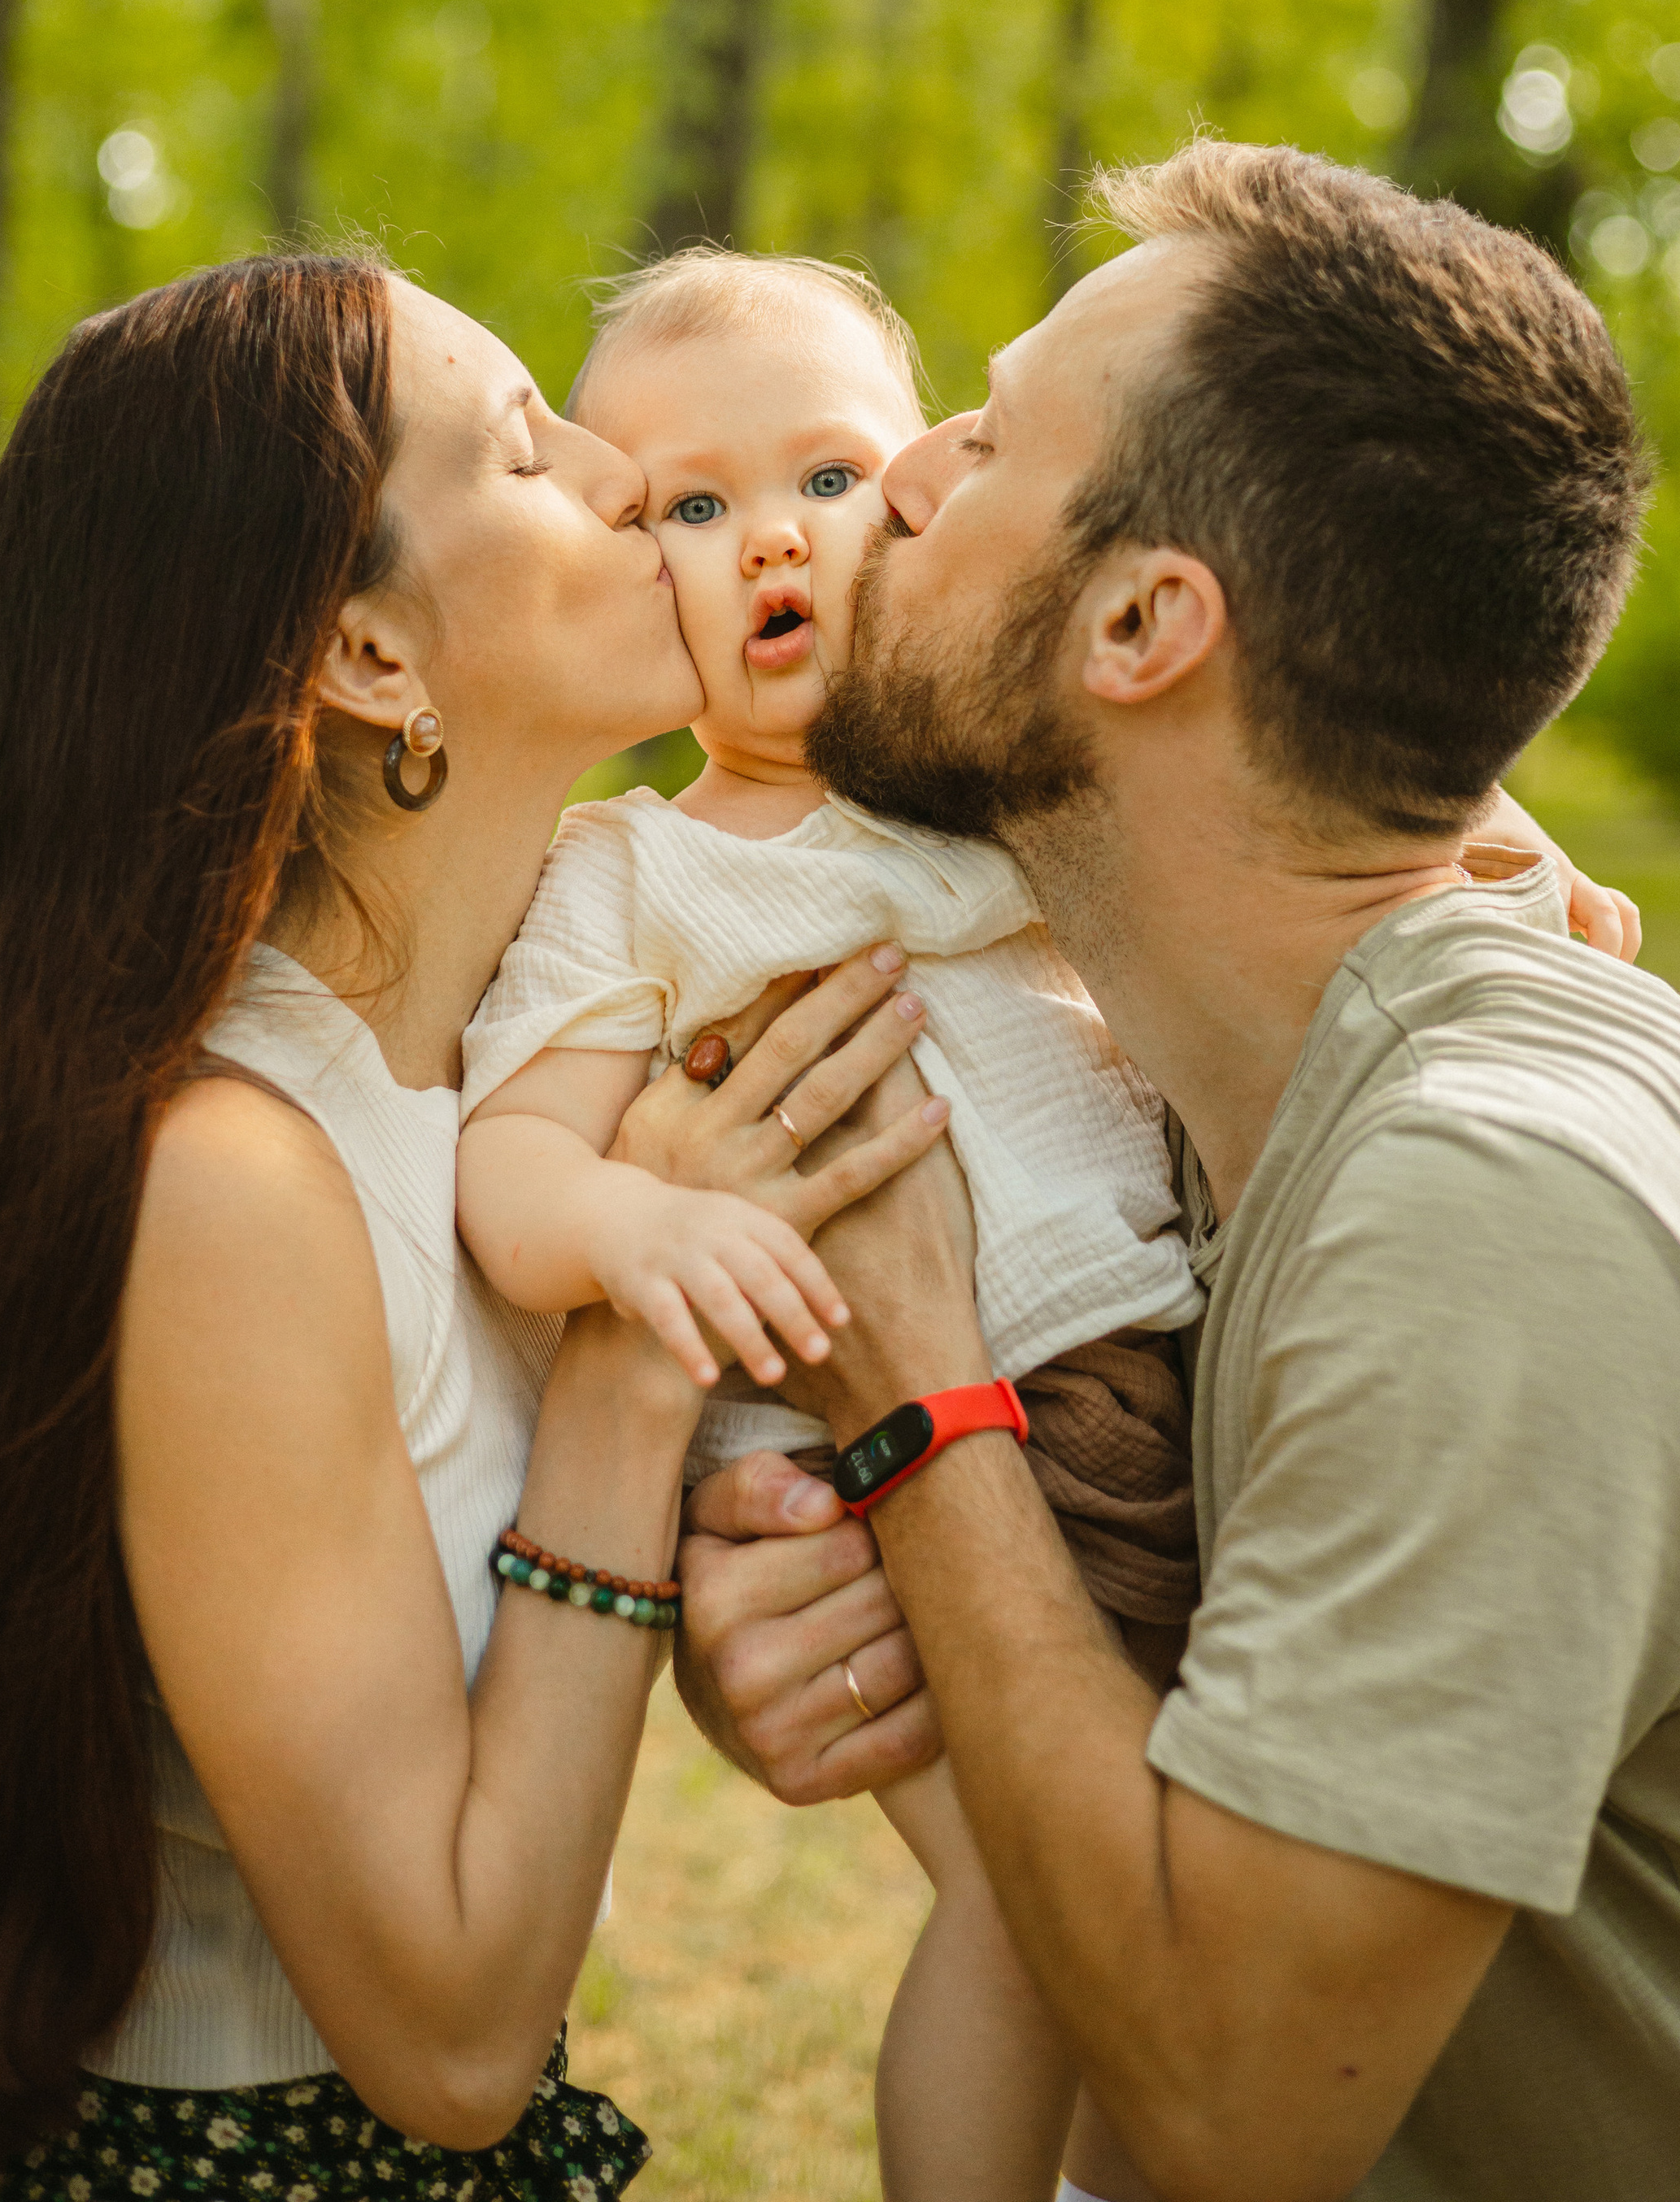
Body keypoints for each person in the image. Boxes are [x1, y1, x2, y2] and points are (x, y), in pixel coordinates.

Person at [675, 141, 1680, 2202]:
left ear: (1144, 621)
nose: (897, 477)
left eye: (984, 444)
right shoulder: (1267, 1081)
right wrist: (830, 1591)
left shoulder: (1490, 1213)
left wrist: (920, 1406)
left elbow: (1223, 2103)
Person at [0, 252, 942, 2202]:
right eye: (527, 448)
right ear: (374, 661)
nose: (618, 472)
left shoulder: (508, 1061)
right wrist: (629, 1375)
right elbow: (450, 2037)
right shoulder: (232, 1185)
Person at [453, 246, 1202, 2202]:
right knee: (1025, 1900)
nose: (768, 539)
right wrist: (631, 1230)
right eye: (690, 507)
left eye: (826, 477)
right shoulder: (629, 871)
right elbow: (510, 1166)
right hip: (889, 1480)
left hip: (1166, 1382)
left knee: (1187, 1899)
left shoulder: (987, 780)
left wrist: (1496, 854)